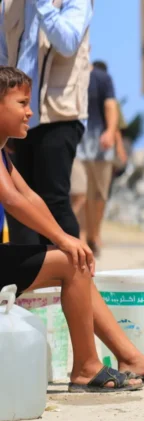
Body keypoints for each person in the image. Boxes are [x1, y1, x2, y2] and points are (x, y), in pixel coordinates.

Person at [0, 66, 144, 392]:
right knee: (73, 262)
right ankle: (87, 367)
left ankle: (128, 357)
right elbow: (14, 201)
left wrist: (68, 239)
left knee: (76, 258)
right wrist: (62, 240)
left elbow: (29, 195)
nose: (30, 111)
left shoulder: (3, 154)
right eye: (21, 103)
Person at [0, 0, 92, 245]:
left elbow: (68, 43)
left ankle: (72, 275)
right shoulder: (10, 4)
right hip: (17, 120)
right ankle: (31, 278)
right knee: (18, 206)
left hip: (59, 114)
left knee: (54, 200)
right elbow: (3, 56)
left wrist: (42, 3)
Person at [73, 60, 126, 257]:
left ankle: (95, 234)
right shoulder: (67, 74)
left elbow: (111, 105)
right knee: (79, 193)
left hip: (101, 147)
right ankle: (82, 237)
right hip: (76, 147)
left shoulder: (102, 78)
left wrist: (111, 132)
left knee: (99, 196)